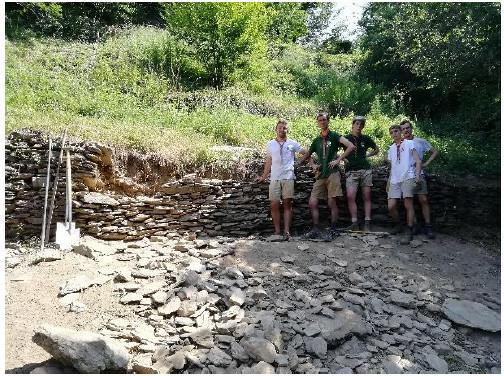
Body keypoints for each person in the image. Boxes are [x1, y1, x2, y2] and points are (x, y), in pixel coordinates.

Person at [299, 112, 356, 239]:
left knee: (332, 203)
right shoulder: (316, 140)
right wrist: (310, 164)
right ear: (317, 123)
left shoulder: (335, 135)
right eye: (320, 120)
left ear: (328, 121)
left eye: (324, 120)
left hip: (333, 173)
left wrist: (338, 159)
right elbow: (307, 155)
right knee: (312, 202)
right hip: (321, 174)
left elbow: (351, 146)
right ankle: (316, 229)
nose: (322, 122)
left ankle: (333, 230)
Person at [257, 119, 307, 241]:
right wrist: (264, 176)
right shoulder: (270, 144)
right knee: (274, 204)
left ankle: (287, 232)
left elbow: (306, 152)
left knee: (287, 204)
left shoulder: (292, 143)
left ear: (287, 129)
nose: (282, 129)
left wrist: (299, 162)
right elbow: (269, 161)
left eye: (284, 128)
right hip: (274, 177)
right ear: (276, 129)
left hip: (288, 177)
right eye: (280, 127)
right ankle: (277, 231)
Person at [400, 119, 439, 239]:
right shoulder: (400, 143)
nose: (406, 130)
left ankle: (428, 226)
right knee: (408, 202)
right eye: (403, 129)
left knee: (423, 200)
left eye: (407, 127)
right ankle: (413, 226)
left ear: (411, 128)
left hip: (419, 173)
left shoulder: (420, 141)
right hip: (406, 175)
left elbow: (435, 151)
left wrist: (426, 163)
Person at [343, 116, 379, 232]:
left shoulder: (366, 138)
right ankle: (354, 223)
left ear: (363, 126)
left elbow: (376, 149)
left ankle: (367, 223)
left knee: (367, 196)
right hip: (351, 171)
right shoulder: (346, 138)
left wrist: (367, 156)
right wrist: (343, 158)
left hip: (365, 170)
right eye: (357, 124)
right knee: (350, 196)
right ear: (353, 125)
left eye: (361, 124)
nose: (359, 126)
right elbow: (334, 150)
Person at [387, 124, 422, 242]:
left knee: (408, 205)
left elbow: (418, 160)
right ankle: (399, 224)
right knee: (391, 206)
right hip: (395, 179)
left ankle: (409, 229)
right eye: (392, 132)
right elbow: (393, 166)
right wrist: (389, 181)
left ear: (401, 132)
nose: (394, 134)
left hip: (408, 176)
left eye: (396, 131)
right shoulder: (391, 148)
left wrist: (417, 176)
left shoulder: (409, 143)